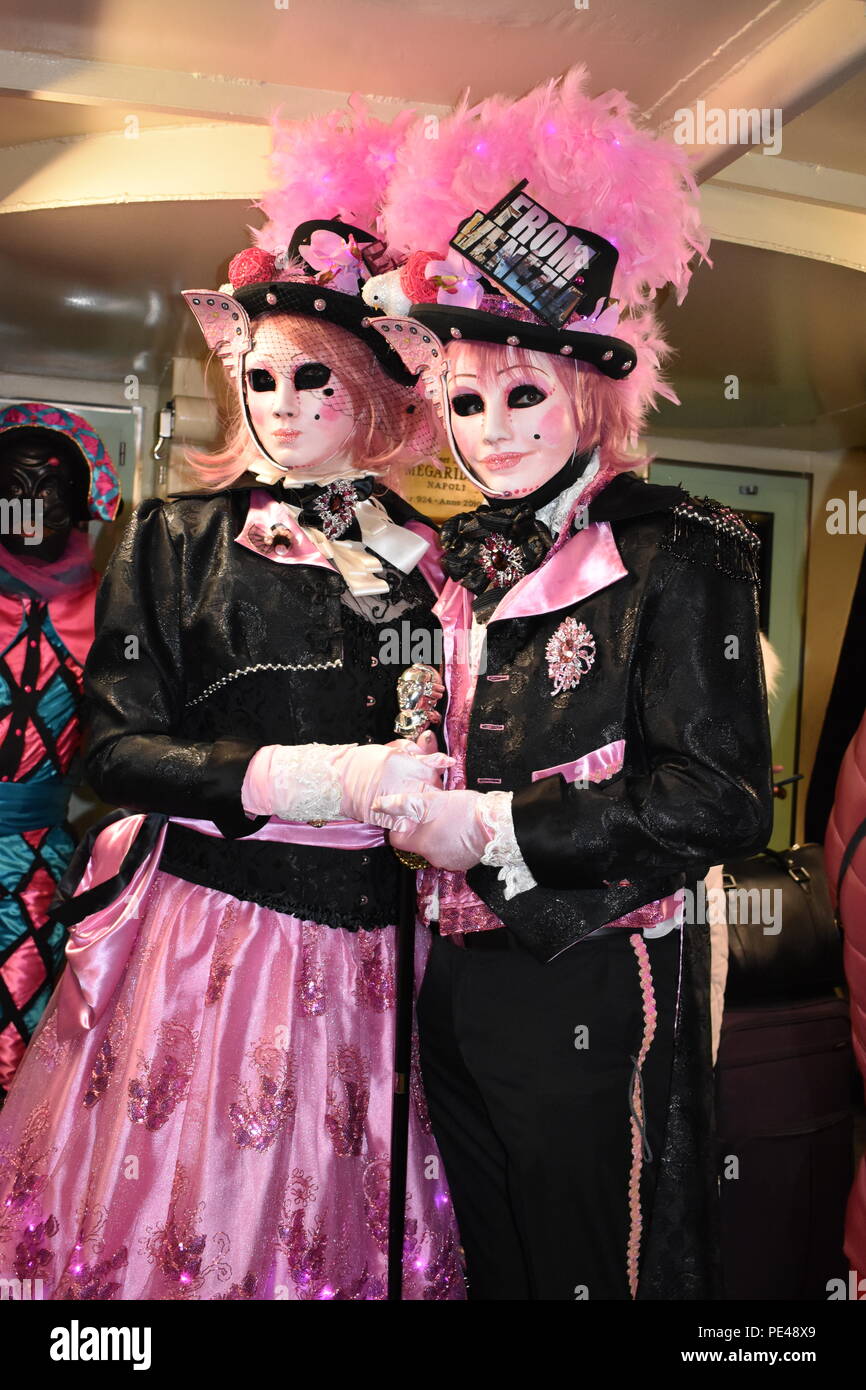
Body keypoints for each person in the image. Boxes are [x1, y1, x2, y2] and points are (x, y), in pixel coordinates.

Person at [365, 69, 775, 1300]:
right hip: (459, 981)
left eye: (524, 394)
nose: (490, 431)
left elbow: (718, 798)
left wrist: (494, 826)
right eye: (469, 401)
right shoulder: (468, 565)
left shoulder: (682, 548)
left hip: (590, 973)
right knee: (496, 1262)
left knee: (597, 1268)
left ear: (592, 392)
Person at [0, 219, 464, 1300]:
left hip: (377, 961)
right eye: (263, 376)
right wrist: (304, 779)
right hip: (215, 944)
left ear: (374, 397)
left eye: (318, 379)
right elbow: (113, 752)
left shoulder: (423, 563)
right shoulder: (174, 536)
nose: (285, 403)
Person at [0, 403, 121, 1100]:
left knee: (27, 1036)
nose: (32, 506)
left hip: (43, 866)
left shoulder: (114, 610)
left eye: (51, 488)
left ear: (83, 501)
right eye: (13, 488)